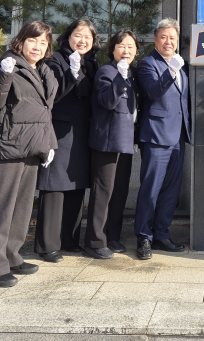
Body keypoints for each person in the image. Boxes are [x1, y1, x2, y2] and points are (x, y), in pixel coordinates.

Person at [0, 21, 58, 288]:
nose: (37, 46)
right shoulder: (7, 65)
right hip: (6, 148)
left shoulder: (42, 71)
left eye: (43, 42)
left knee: (21, 209)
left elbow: (44, 113)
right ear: (20, 41)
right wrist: (4, 74)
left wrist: (50, 144)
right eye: (32, 40)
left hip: (32, 147)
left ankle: (11, 257)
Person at [34, 19, 99, 263]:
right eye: (78, 35)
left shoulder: (91, 63)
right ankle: (47, 245)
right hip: (59, 132)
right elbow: (53, 95)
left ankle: (69, 240)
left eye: (88, 37)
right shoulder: (55, 60)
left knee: (76, 186)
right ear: (68, 37)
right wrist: (71, 73)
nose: (83, 40)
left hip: (82, 132)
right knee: (54, 187)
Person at [134, 18, 191, 260]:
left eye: (173, 38)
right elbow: (152, 91)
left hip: (178, 136)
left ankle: (161, 235)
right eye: (164, 37)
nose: (169, 42)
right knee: (151, 189)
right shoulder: (148, 64)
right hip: (156, 136)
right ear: (156, 39)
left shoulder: (181, 65)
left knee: (170, 190)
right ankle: (143, 237)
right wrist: (172, 71)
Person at [85, 30, 141, 259]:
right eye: (121, 46)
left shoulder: (133, 73)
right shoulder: (106, 72)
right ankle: (94, 241)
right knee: (103, 192)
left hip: (126, 141)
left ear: (136, 51)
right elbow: (107, 102)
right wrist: (120, 77)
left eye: (130, 46)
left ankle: (112, 236)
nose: (126, 51)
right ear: (112, 49)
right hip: (107, 141)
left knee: (119, 191)